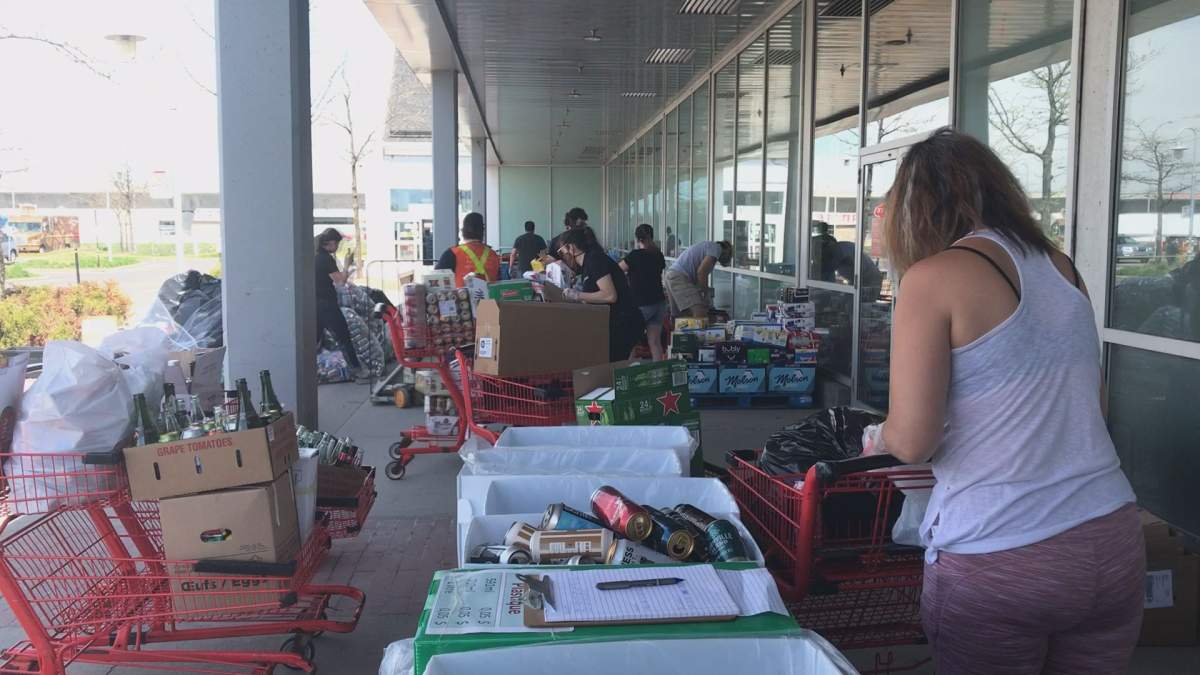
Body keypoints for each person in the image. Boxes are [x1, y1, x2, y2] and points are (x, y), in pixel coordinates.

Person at [869, 128, 1140, 674]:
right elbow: (1094, 407)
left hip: (1001, 549)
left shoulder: (931, 279)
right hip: (1110, 540)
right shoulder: (1063, 269)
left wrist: (880, 436)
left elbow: (914, 439)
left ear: (915, 211)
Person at [557, 226, 645, 362]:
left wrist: (577, 295)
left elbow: (610, 295)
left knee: (613, 367)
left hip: (624, 322)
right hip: (615, 322)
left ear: (572, 248)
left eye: (562, 251)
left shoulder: (594, 260)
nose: (562, 256)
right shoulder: (587, 264)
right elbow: (594, 297)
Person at [314, 228, 366, 381]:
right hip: (327, 305)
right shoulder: (325, 259)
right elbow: (341, 281)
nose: (337, 247)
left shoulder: (315, 256)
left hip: (315, 303)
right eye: (337, 243)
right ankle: (357, 370)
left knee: (315, 340)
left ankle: (312, 373)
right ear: (329, 243)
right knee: (343, 337)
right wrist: (347, 265)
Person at [620, 224, 668, 360]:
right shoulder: (658, 255)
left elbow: (617, 270)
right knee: (655, 342)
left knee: (630, 342)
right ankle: (659, 374)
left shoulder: (634, 256)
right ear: (652, 236)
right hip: (659, 303)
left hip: (642, 304)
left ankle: (628, 373)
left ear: (637, 239)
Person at [663, 240, 732, 318]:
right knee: (700, 312)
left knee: (680, 315)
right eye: (729, 255)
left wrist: (701, 293)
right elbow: (701, 273)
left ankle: (674, 329)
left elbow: (698, 276)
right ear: (726, 250)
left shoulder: (707, 247)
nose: (728, 258)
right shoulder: (717, 249)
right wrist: (706, 295)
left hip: (671, 275)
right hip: (680, 276)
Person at [435, 212, 500, 287]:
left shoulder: (452, 253)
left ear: (463, 231)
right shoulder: (493, 254)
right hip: (489, 298)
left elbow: (436, 281)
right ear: (482, 231)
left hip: (462, 297)